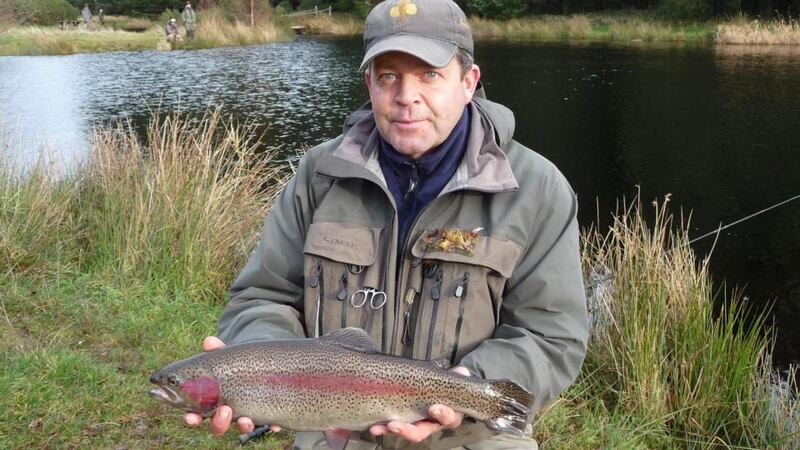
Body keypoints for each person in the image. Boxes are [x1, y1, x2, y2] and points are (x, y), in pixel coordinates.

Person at [184, 0, 589, 448]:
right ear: (369, 83)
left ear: (468, 82)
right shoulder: (318, 175)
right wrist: (262, 368)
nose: (406, 96)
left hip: (472, 435)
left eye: (429, 74)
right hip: (333, 433)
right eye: (388, 76)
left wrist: (469, 386)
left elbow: (550, 335)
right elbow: (263, 296)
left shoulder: (537, 189)